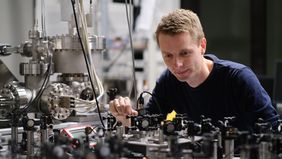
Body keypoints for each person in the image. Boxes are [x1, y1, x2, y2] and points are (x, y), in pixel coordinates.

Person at [109, 9, 280, 131]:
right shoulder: (169, 81)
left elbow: (275, 131)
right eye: (168, 55)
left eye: (185, 53)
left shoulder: (239, 79)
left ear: (202, 46)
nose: (177, 64)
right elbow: (148, 121)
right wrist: (126, 118)